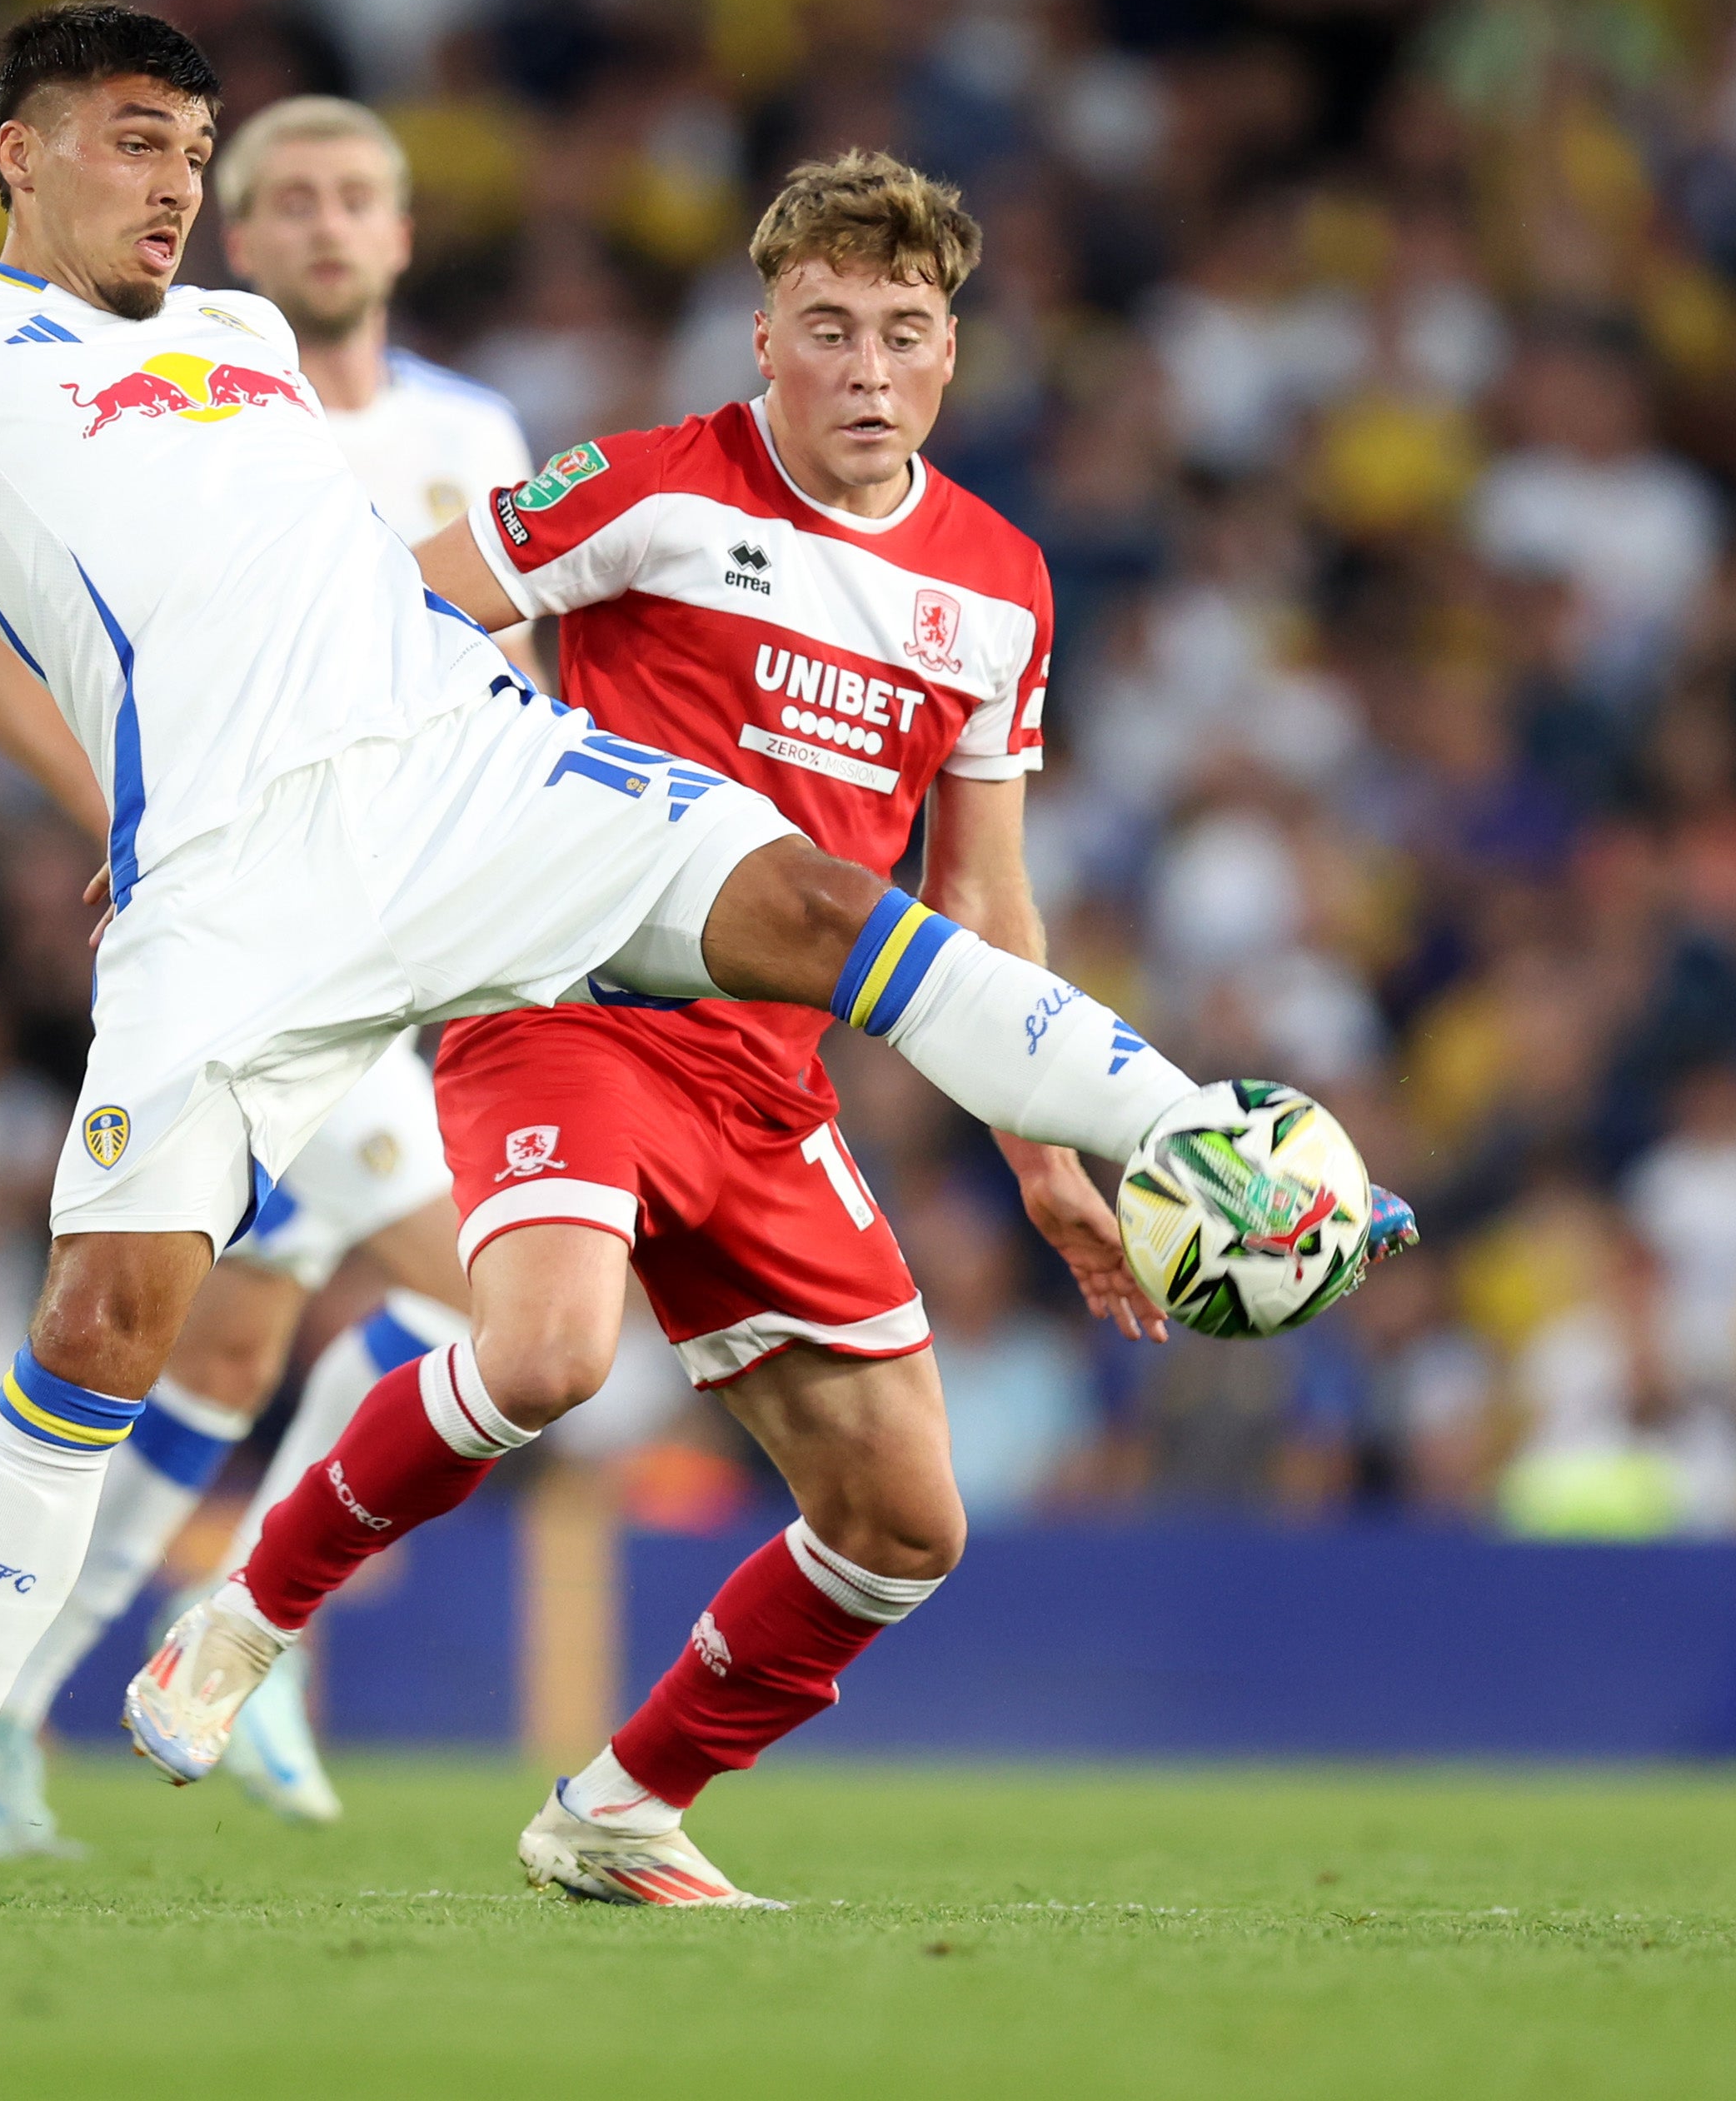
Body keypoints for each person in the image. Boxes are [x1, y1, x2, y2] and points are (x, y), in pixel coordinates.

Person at [0, 2, 1277, 1913]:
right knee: (112, 1314)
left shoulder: (259, 342)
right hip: (228, 892)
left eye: (193, 150)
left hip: (467, 780)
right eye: (134, 142)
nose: (177, 184)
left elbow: (374, 580)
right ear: (20, 152)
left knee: (817, 905)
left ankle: (1222, 1145)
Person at [140, 148, 1186, 1907]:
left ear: (951, 356)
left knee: (905, 1521)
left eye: (905, 335)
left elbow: (986, 907)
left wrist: (1046, 1151)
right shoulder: (644, 490)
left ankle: (619, 1809)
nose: (866, 369)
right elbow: (372, 621)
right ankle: (247, 1613)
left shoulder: (998, 583)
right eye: (829, 329)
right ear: (762, 338)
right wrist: (216, 821)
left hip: (770, 1080)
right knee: (546, 1355)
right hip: (569, 1004)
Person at [0, 92, 531, 1850]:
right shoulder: (189, 396)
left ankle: (15, 1707)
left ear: (405, 235)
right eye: (292, 201)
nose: (331, 225)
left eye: (363, 197)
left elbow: (525, 644)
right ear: (242, 241)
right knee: (490, 1299)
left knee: (224, 1356)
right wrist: (139, 817)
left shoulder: (475, 426)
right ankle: (245, 1644)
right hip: (263, 924)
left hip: (425, 919)